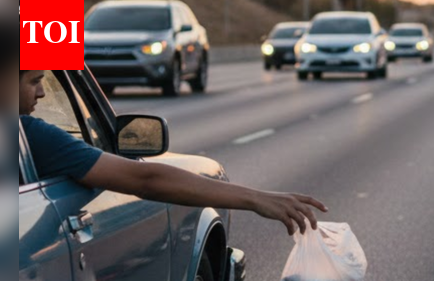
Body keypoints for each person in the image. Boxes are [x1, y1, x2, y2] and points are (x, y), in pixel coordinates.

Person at [17, 69, 327, 235]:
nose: (42, 93)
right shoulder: (29, 133)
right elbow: (145, 179)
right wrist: (255, 199)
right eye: (34, 81)